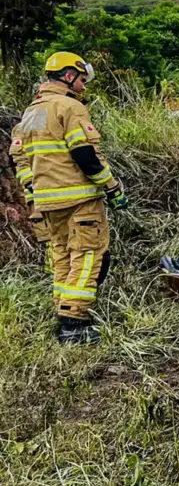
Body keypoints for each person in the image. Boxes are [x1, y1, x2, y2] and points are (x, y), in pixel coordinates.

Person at [12, 52, 129, 345]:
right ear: (67, 76)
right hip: (79, 200)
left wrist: (33, 191)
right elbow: (85, 156)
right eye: (81, 79)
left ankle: (63, 311)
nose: (83, 85)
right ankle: (75, 323)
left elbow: (19, 159)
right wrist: (113, 188)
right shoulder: (69, 107)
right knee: (89, 254)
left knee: (63, 256)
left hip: (47, 203)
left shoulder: (31, 112)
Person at [8, 123, 53, 272]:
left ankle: (56, 281)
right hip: (42, 198)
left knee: (56, 244)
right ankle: (55, 282)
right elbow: (17, 161)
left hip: (49, 196)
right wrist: (33, 186)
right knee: (54, 243)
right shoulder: (25, 129)